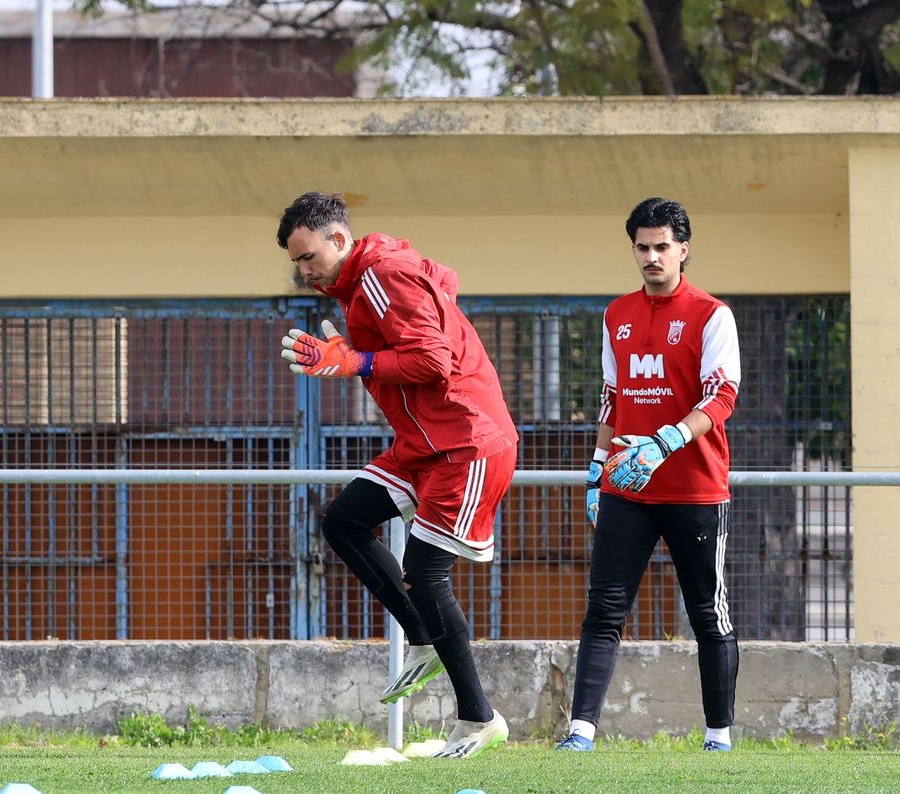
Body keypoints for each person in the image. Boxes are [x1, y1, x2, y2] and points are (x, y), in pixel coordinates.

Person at [276, 191, 516, 759]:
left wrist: (355, 361)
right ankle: (424, 637)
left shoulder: (384, 274)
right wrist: (352, 353)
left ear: (339, 239)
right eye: (296, 262)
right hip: (422, 444)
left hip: (465, 440)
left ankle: (479, 719)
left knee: (426, 577)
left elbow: (432, 360)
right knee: (344, 521)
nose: (303, 271)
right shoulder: (362, 285)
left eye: (308, 256)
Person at [555, 197, 743, 753]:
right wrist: (596, 470)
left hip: (694, 488)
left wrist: (665, 441)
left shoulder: (713, 314)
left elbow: (722, 395)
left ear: (684, 249)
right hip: (626, 486)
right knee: (604, 608)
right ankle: (580, 732)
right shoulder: (616, 314)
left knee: (708, 612)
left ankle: (719, 736)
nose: (652, 256)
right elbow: (611, 397)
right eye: (643, 246)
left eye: (663, 246)